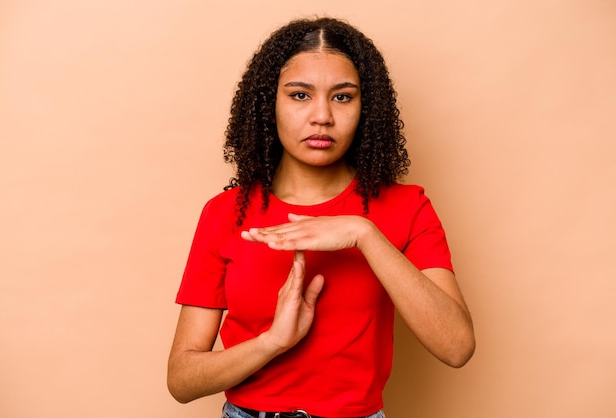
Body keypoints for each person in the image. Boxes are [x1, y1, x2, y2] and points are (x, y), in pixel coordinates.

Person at [167, 16, 475, 418]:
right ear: (268, 103)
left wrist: (363, 233)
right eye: (299, 95)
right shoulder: (225, 214)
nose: (322, 116)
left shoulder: (406, 207)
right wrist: (273, 341)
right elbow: (181, 380)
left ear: (367, 108)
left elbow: (457, 347)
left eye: (343, 97)